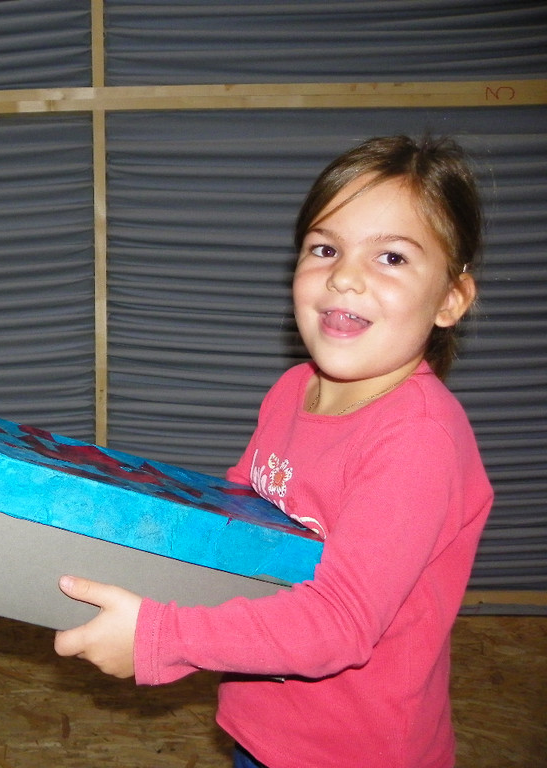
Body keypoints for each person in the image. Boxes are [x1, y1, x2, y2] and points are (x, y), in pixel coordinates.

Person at [54, 135, 493, 768]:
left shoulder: (418, 440)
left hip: (354, 753)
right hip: (262, 726)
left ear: (451, 299)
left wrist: (161, 635)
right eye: (325, 248)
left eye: (391, 257)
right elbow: (237, 523)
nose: (344, 276)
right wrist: (132, 560)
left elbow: (340, 622)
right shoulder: (294, 388)